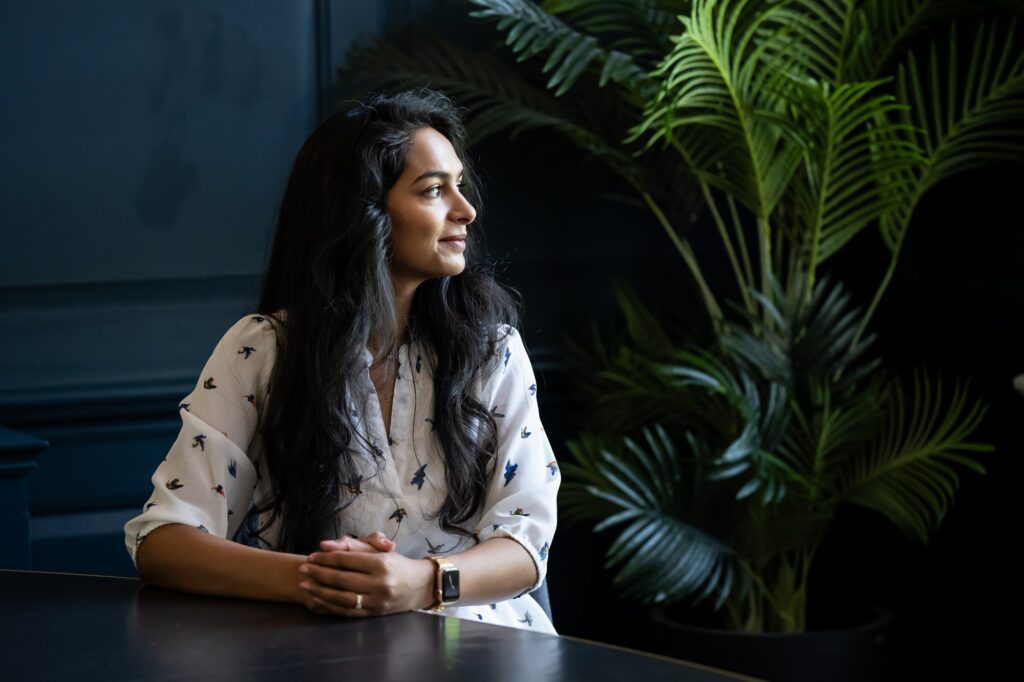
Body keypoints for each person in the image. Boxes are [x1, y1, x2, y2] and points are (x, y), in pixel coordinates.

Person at [123, 88, 560, 635]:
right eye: (433, 190)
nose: (465, 209)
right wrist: (323, 581)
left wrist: (419, 582)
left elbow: (526, 544)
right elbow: (163, 541)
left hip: (480, 646)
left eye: (459, 185)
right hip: (316, 649)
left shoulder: (493, 351)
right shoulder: (262, 350)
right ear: (363, 214)